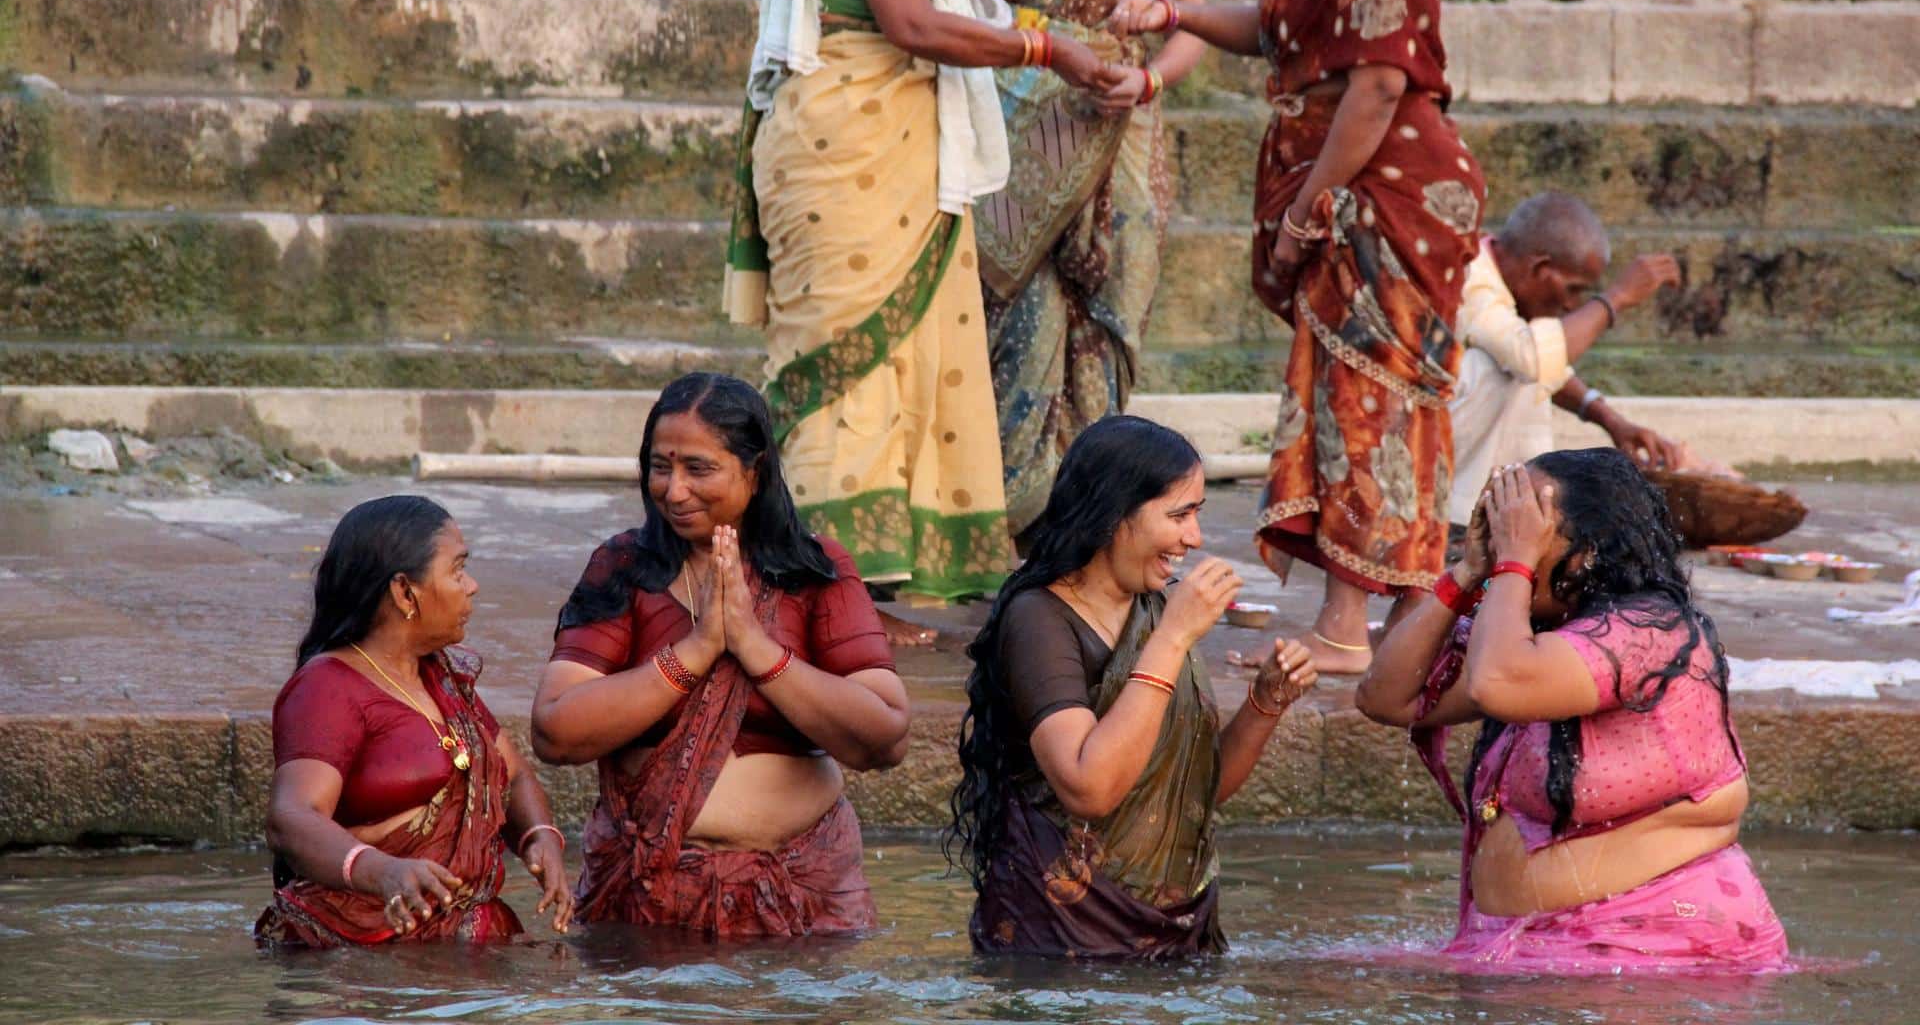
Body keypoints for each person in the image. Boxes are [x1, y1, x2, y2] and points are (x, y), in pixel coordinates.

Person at [723, 0, 1123, 605]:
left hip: (871, 152)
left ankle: (867, 584)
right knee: (846, 370)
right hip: (847, 155)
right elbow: (910, 21)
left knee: (893, 363)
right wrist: (1046, 46)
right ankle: (832, 591)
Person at [1109, 0, 1478, 674]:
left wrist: (1312, 203)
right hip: (1347, 182)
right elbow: (1282, 35)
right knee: (1344, 396)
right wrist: (1177, 11)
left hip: (1387, 194)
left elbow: (1380, 83)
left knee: (1368, 400)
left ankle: (1350, 631)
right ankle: (1372, 625)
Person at [1355, 451, 1790, 973]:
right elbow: (1386, 697)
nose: (1510, 543)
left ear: (1585, 554)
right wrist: (1469, 570)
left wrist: (1514, 562)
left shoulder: (1651, 634)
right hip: (1542, 948)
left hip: (1657, 953)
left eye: (1531, 529)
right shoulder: (1527, 639)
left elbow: (1497, 682)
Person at [531, 372, 912, 936]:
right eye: (661, 467)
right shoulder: (624, 567)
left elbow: (886, 736)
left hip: (803, 897)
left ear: (754, 473)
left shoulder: (814, 570)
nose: (675, 489)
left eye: (698, 469)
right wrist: (695, 651)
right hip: (649, 903)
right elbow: (555, 732)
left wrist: (757, 649)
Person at [945, 0, 1210, 541]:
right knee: (1017, 327)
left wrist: (1151, 79)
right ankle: (1005, 528)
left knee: (1107, 318)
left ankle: (1091, 530)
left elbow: (1190, 22)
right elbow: (948, 9)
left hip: (1119, 138)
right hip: (1014, 146)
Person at [948, 415, 1318, 957]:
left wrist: (1266, 703)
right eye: (1180, 515)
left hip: (1173, 937)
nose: (1195, 537)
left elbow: (1194, 792)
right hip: (1058, 949)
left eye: (1197, 514)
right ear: (1113, 515)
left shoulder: (1156, 611)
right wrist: (1170, 640)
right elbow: (1089, 787)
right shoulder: (1039, 619)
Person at [257, 496, 572, 948]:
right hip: (353, 958)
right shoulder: (328, 687)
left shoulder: (439, 675)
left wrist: (541, 840)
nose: (473, 586)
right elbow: (291, 818)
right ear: (405, 592)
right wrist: (383, 871)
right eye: (457, 570)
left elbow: (513, 774)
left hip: (461, 948)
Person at [1447, 191, 1686, 527]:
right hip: (1406, 452)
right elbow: (1533, 359)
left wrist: (1610, 421)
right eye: (1573, 290)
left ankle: (1516, 514)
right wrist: (1616, 298)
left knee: (1523, 365)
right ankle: (1461, 519)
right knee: (1506, 369)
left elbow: (1542, 363)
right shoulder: (1470, 274)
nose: (1573, 306)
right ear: (1539, 268)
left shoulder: (1501, 287)